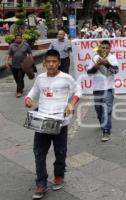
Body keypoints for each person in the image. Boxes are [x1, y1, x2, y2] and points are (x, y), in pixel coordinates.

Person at [25, 49, 82, 199]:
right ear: (44, 63)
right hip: (42, 121)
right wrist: (28, 99)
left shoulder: (66, 78)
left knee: (60, 151)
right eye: (48, 61)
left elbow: (78, 91)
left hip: (60, 122)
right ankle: (41, 183)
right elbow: (33, 91)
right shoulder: (40, 78)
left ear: (59, 62)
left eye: (54, 61)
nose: (51, 64)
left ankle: (59, 175)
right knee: (39, 152)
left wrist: (72, 104)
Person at [87, 40, 119, 142]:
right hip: (97, 88)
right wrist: (96, 66)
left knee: (107, 110)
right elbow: (89, 73)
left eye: (107, 48)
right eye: (103, 48)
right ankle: (102, 122)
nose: (105, 50)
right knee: (99, 109)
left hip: (108, 88)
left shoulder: (112, 58)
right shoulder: (94, 57)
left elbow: (115, 71)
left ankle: (106, 130)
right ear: (100, 48)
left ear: (110, 49)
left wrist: (106, 64)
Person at [6, 33, 32, 98]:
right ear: (15, 39)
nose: (18, 39)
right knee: (16, 78)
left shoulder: (26, 45)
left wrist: (30, 61)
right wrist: (7, 61)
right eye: (17, 38)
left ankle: (19, 91)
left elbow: (30, 53)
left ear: (22, 38)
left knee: (20, 77)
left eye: (19, 38)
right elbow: (9, 54)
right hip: (14, 65)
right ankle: (21, 86)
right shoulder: (12, 45)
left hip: (22, 65)